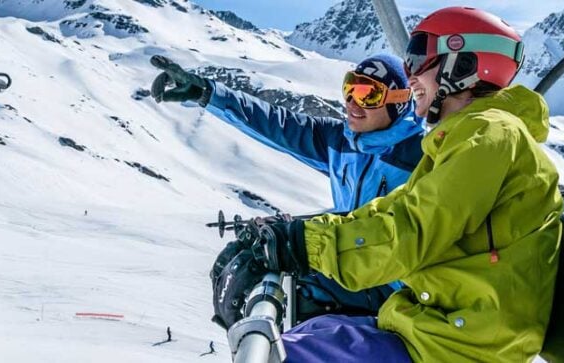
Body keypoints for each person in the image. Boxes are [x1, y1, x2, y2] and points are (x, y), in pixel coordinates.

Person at [212, 7, 563, 363]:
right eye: (350, 90)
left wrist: (303, 244)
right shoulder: (459, 139)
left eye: (419, 58)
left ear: (464, 65)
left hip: (456, 342)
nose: (411, 74)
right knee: (304, 335)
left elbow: (412, 227)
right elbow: (395, 209)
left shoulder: (488, 133)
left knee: (281, 354)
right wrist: (298, 235)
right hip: (431, 324)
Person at [149, 53, 426, 324]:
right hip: (352, 266)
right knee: (259, 272)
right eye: (349, 88)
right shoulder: (343, 141)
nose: (353, 103)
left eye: (369, 94)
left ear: (398, 103)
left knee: (299, 297)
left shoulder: (420, 156)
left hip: (400, 287)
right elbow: (276, 122)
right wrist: (207, 93)